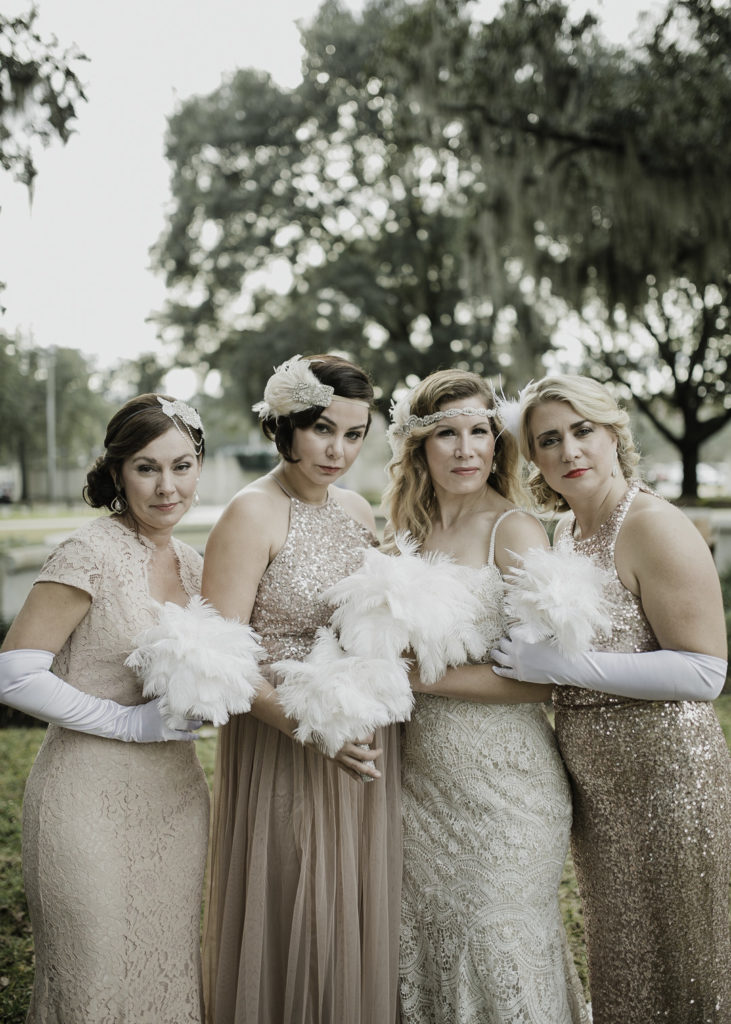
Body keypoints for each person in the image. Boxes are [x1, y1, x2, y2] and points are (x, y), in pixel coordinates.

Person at [492, 374, 731, 1023]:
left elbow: (705, 671)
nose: (569, 449)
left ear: (611, 433)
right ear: (533, 457)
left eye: (581, 430)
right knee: (621, 952)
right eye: (549, 439)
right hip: (597, 786)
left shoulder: (651, 524)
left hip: (667, 776)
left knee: (684, 957)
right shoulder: (565, 535)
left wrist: (568, 665)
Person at [383, 369, 589, 1024]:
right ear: (418, 446)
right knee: (428, 945)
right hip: (421, 787)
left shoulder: (514, 530)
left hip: (506, 791)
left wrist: (414, 675)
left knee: (496, 944)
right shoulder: (401, 534)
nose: (466, 449)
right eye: (446, 433)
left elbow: (547, 675)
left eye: (479, 432)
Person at [201, 354, 401, 1024]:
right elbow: (218, 655)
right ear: (282, 425)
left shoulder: (356, 509)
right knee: (297, 904)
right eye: (321, 429)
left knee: (349, 902)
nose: (338, 450)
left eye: (353, 433)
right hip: (283, 739)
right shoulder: (250, 513)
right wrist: (306, 728)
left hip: (362, 736)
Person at [0, 393, 211, 1023]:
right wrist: (125, 722)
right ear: (117, 472)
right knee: (95, 978)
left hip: (175, 798)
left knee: (167, 971)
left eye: (181, 465)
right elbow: (13, 674)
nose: (167, 486)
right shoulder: (89, 552)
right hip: (86, 798)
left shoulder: (197, 566)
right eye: (147, 467)